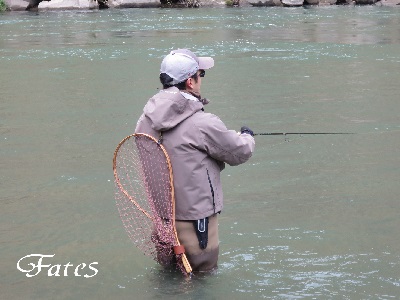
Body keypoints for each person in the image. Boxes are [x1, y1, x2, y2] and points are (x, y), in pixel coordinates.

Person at [135, 48, 255, 272]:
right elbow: (240, 152)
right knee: (202, 279)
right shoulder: (202, 123)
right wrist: (247, 136)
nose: (201, 80)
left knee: (171, 276)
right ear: (190, 82)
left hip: (162, 223)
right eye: (201, 74)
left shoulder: (144, 120)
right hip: (197, 224)